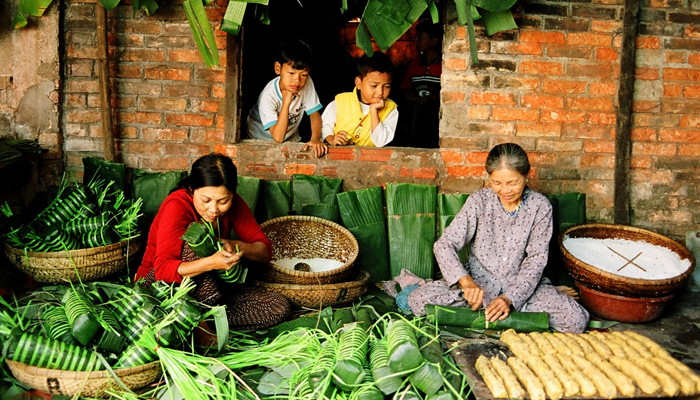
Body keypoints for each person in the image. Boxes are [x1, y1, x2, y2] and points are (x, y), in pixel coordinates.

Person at [407, 143, 589, 333]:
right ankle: (508, 314)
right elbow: (444, 244)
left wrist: (510, 298)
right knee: (418, 301)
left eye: (513, 182)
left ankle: (505, 309)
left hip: (521, 288)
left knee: (576, 320)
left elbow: (536, 261)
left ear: (527, 176)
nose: (505, 190)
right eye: (497, 183)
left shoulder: (539, 207)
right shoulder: (479, 202)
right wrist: (466, 282)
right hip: (479, 286)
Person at [134, 153, 291, 330]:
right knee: (196, 238)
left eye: (223, 201)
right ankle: (197, 325)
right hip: (160, 289)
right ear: (192, 189)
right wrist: (211, 263)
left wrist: (231, 245)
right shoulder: (177, 205)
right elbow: (163, 270)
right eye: (206, 201)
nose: (214, 209)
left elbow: (264, 251)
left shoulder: (235, 205)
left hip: (211, 291)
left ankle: (199, 322)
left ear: (232, 194)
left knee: (278, 306)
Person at [246, 39, 327, 158]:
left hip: (290, 137)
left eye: (303, 75)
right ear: (278, 69)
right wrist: (286, 102)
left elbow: (314, 114)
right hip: (260, 137)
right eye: (291, 73)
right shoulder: (268, 96)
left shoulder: (307, 83)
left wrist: (315, 138)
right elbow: (278, 138)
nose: (297, 80)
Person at [321, 52, 399, 147]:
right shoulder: (341, 102)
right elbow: (324, 125)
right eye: (374, 86)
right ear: (358, 83)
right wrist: (331, 139)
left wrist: (374, 111)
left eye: (387, 86)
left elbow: (380, 141)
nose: (380, 92)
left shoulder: (391, 110)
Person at [399, 19, 442, 149]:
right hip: (415, 119)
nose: (416, 40)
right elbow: (403, 89)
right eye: (416, 37)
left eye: (421, 37)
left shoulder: (444, 65)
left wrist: (431, 99)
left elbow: (452, 95)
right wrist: (408, 95)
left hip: (436, 120)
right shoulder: (413, 66)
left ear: (433, 41)